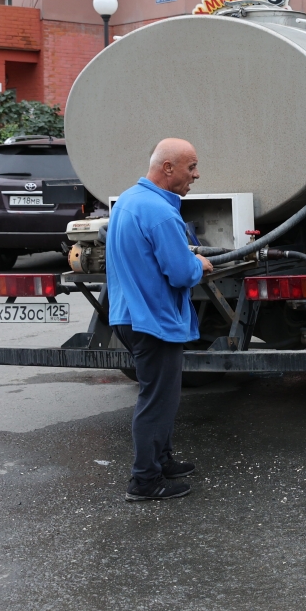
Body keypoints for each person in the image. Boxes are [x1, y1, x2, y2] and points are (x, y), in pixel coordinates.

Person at [108, 138, 214, 501]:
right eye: (191, 167)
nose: (196, 174)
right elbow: (181, 273)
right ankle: (145, 481)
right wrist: (198, 264)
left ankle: (163, 459)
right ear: (168, 168)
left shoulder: (127, 201)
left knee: (161, 396)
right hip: (153, 320)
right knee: (157, 400)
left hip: (128, 315)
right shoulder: (161, 212)